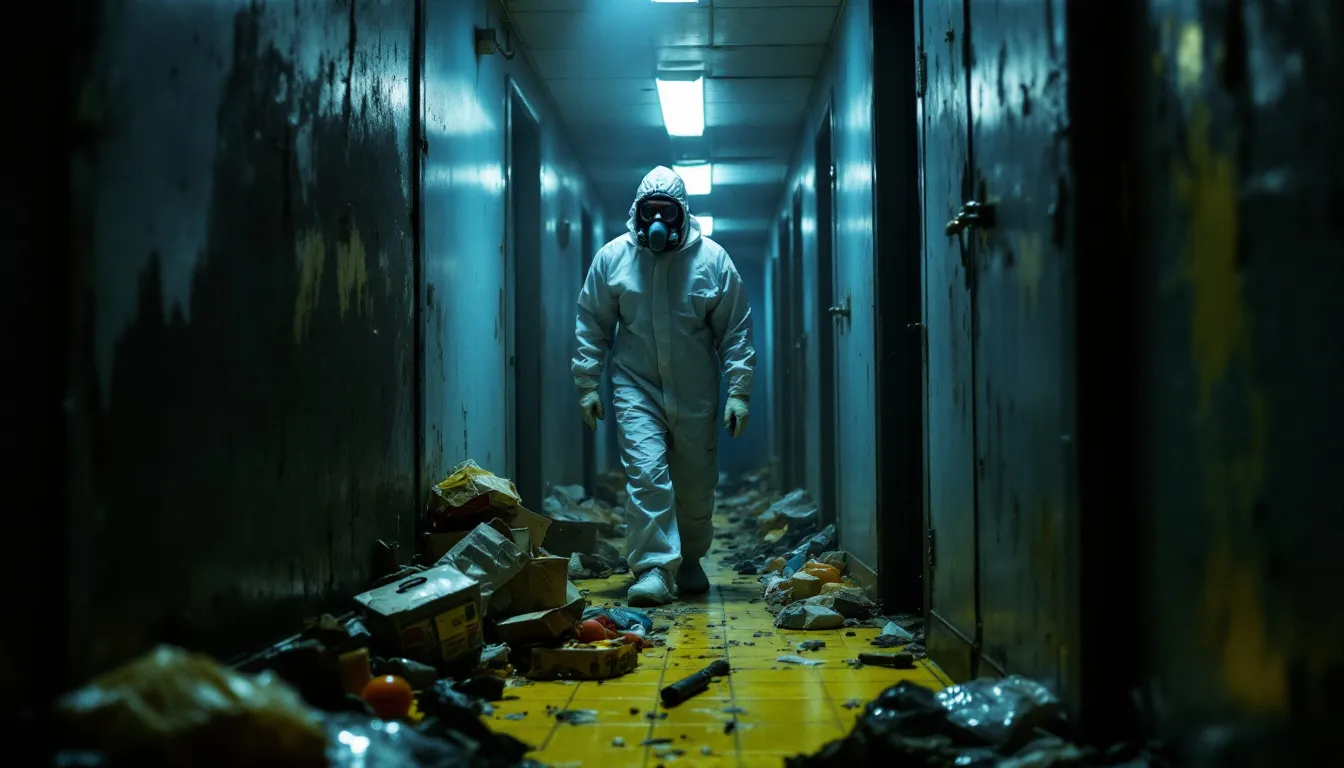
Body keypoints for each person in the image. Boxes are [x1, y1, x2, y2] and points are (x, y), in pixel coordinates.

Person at [571, 165, 756, 607]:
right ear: (637, 212)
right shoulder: (614, 258)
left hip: (695, 391)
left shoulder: (712, 261)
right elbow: (592, 321)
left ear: (682, 215)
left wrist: (739, 391)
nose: (658, 223)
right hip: (636, 387)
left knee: (694, 483)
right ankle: (653, 567)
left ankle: (689, 559)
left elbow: (736, 330)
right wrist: (588, 383)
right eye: (650, 212)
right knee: (648, 475)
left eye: (667, 213)